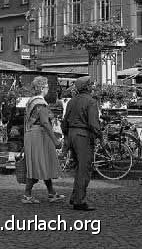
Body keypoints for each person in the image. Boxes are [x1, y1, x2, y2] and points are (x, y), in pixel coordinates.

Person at [21, 76, 64, 204]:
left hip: (32, 134)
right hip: (39, 135)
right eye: (46, 87)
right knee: (38, 163)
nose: (48, 89)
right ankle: (27, 195)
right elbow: (45, 122)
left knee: (43, 163)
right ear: (41, 88)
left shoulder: (31, 101)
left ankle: (51, 192)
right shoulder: (40, 103)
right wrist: (55, 140)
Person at [61, 75, 101, 211]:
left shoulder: (72, 101)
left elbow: (64, 121)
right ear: (88, 87)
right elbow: (93, 123)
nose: (93, 88)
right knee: (84, 170)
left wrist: (67, 137)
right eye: (91, 86)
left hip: (72, 135)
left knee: (78, 168)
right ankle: (79, 201)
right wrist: (100, 136)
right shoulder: (91, 101)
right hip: (83, 136)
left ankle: (74, 196)